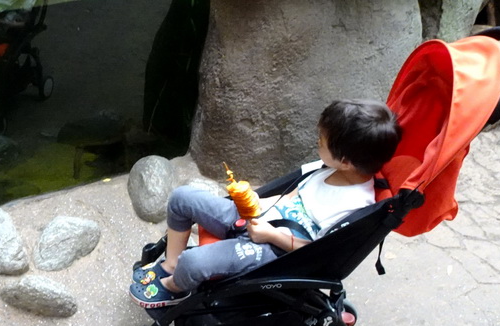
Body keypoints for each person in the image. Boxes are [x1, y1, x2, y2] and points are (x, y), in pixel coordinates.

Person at [129, 99, 402, 309]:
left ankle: (175, 288)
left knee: (195, 262)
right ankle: (171, 265)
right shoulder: (326, 168)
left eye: (322, 142)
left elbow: (319, 252)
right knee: (181, 199)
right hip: (262, 218)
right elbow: (295, 194)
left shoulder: (356, 204)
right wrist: (258, 201)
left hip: (277, 250)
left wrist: (271, 235)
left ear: (345, 161)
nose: (317, 143)